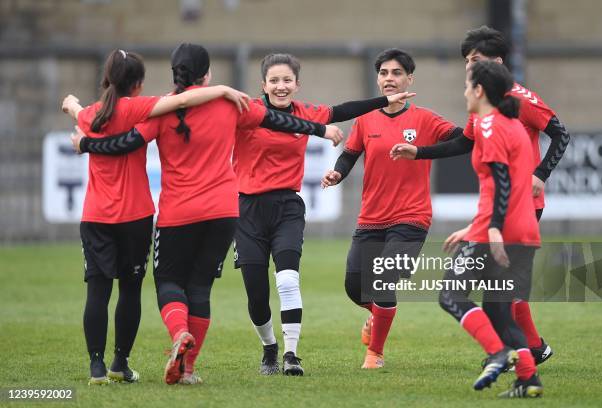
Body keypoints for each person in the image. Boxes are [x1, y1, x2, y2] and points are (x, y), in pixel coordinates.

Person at [70, 43, 344, 385]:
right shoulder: (229, 104)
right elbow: (278, 119)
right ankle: (188, 368)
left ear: (175, 74)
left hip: (178, 212)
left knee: (169, 282)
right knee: (200, 287)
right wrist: (322, 129)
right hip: (224, 210)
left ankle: (179, 333)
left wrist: (85, 143)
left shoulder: (160, 111)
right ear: (208, 74)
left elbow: (124, 142)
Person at [61, 48, 250, 385]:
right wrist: (222, 89)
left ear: (106, 79)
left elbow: (82, 114)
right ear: (138, 84)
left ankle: (96, 369)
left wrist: (76, 114)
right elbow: (180, 102)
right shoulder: (139, 107)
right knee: (132, 291)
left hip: (96, 215)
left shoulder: (89, 114)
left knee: (98, 292)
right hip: (136, 215)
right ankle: (122, 363)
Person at [391, 26, 570, 366]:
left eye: (475, 59)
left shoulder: (520, 98)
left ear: (497, 61)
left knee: (482, 291)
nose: (468, 66)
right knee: (500, 290)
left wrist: (540, 174)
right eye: (466, 61)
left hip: (520, 208)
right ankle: (530, 352)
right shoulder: (483, 103)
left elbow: (560, 134)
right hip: (499, 210)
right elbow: (465, 143)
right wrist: (419, 152)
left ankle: (512, 355)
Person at [233, 53, 414, 376]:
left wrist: (384, 100)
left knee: (288, 280)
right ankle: (269, 348)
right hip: (247, 210)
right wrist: (320, 130)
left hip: (288, 207)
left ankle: (291, 355)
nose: (281, 86)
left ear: (297, 84)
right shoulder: (251, 112)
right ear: (263, 85)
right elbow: (289, 123)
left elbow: (344, 110)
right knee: (257, 293)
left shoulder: (307, 109)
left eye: (287, 80)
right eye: (274, 80)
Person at [396, 60, 544, 397]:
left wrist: (490, 228)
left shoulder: (490, 126)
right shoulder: (509, 124)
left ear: (479, 90)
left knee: (450, 295)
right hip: (521, 230)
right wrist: (475, 227)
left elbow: (502, 182)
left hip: (499, 230)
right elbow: (507, 186)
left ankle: (497, 353)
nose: (464, 92)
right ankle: (528, 378)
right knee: (497, 308)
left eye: (467, 86)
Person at [321, 48, 464, 369]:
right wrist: (337, 173)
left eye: (396, 73)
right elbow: (350, 154)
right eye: (384, 73)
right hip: (371, 217)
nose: (389, 79)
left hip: (412, 217)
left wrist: (421, 151)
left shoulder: (425, 118)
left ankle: (375, 353)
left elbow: (464, 140)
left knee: (383, 278)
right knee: (355, 288)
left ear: (409, 79)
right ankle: (377, 317)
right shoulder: (366, 118)